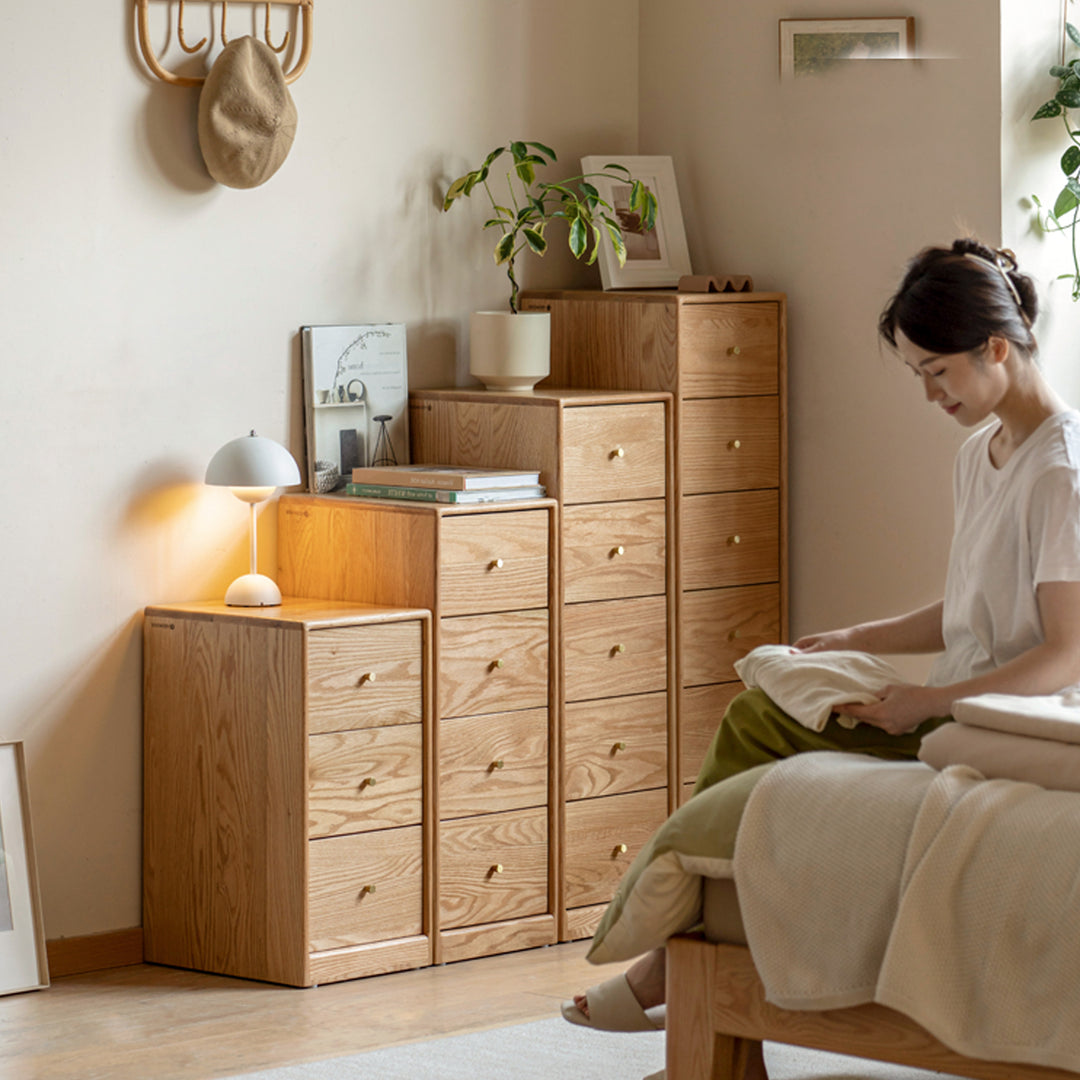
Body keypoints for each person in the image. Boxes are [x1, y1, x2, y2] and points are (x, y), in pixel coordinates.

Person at [562, 237, 1080, 1039]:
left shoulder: (1062, 472)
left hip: (997, 723)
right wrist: (853, 636)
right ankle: (695, 962)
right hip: (951, 705)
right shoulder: (985, 454)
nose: (929, 394)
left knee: (755, 723)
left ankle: (670, 960)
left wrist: (924, 703)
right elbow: (974, 603)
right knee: (778, 694)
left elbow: (1065, 652)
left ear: (997, 348)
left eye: (937, 371)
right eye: (918, 376)